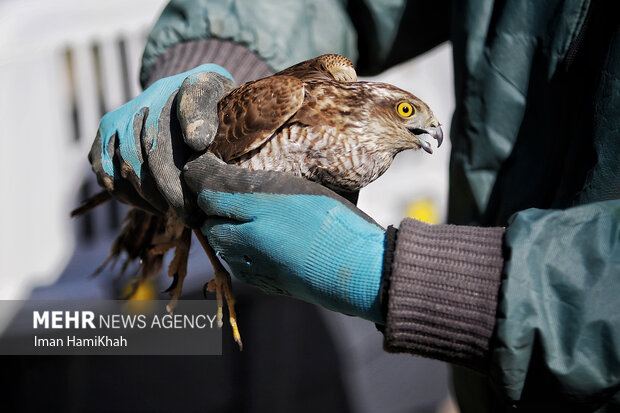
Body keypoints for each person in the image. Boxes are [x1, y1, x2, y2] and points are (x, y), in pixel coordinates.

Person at [89, 0, 620, 410]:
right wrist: (215, 60)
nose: (425, 127)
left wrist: (443, 284)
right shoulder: (300, 98)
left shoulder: (374, 153)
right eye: (408, 110)